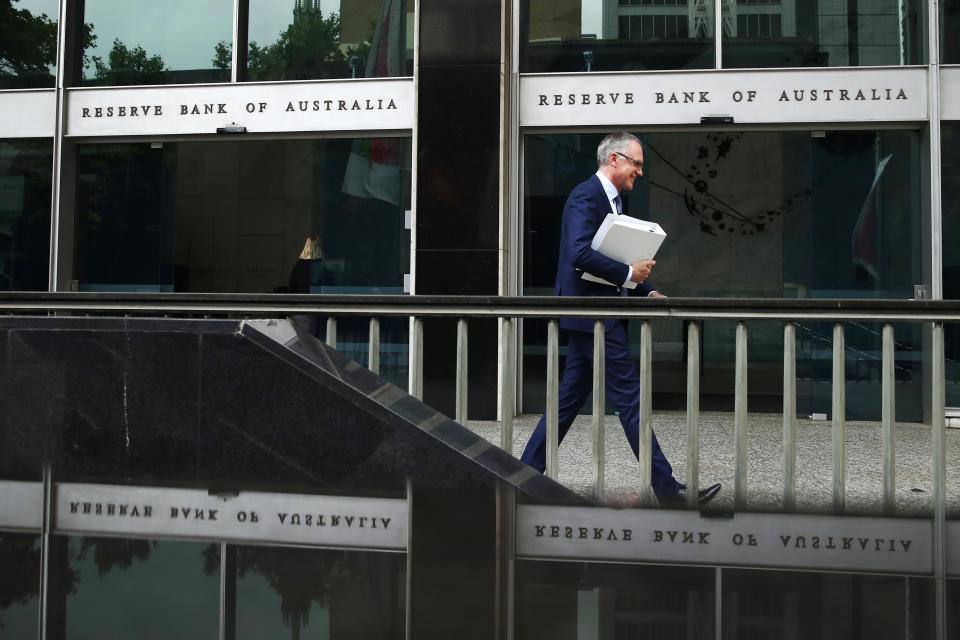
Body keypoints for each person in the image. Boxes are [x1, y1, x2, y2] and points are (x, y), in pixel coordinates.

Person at [519, 132, 721, 507]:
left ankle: (521, 477)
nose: (639, 172)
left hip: (595, 315)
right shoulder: (585, 196)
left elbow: (615, 255)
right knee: (629, 399)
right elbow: (580, 253)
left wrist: (646, 291)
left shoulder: (611, 201)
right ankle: (668, 490)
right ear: (614, 159)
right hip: (593, 316)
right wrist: (630, 276)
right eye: (636, 163)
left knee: (566, 402)